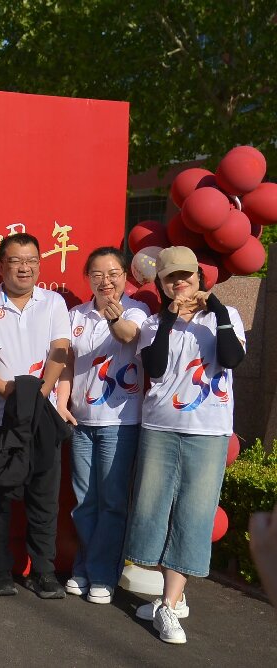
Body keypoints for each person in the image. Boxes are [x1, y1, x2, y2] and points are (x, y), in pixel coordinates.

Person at [125, 245, 245, 644]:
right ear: (161, 284)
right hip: (160, 426)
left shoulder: (226, 317)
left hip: (209, 429)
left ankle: (169, 603)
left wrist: (219, 309)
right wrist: (168, 319)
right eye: (170, 277)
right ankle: (169, 599)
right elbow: (155, 367)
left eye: (186, 276)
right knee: (152, 510)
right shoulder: (152, 323)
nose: (180, 283)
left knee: (194, 513)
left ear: (199, 278)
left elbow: (231, 358)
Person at [0, 232, 71, 599]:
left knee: (44, 498)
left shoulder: (53, 303)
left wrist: (35, 397)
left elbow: (60, 350)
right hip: (0, 418)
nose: (24, 268)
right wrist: (9, 393)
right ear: (2, 266)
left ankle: (44, 571)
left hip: (41, 417)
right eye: (16, 261)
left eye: (31, 261)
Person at [57, 247, 148, 605]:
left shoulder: (137, 311)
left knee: (111, 501)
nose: (105, 281)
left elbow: (127, 335)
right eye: (97, 275)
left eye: (113, 274)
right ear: (88, 278)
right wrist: (62, 402)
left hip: (120, 422)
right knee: (84, 501)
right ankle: (84, 567)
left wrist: (114, 317)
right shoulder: (75, 315)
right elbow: (66, 363)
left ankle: (102, 574)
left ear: (125, 276)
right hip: (82, 421)